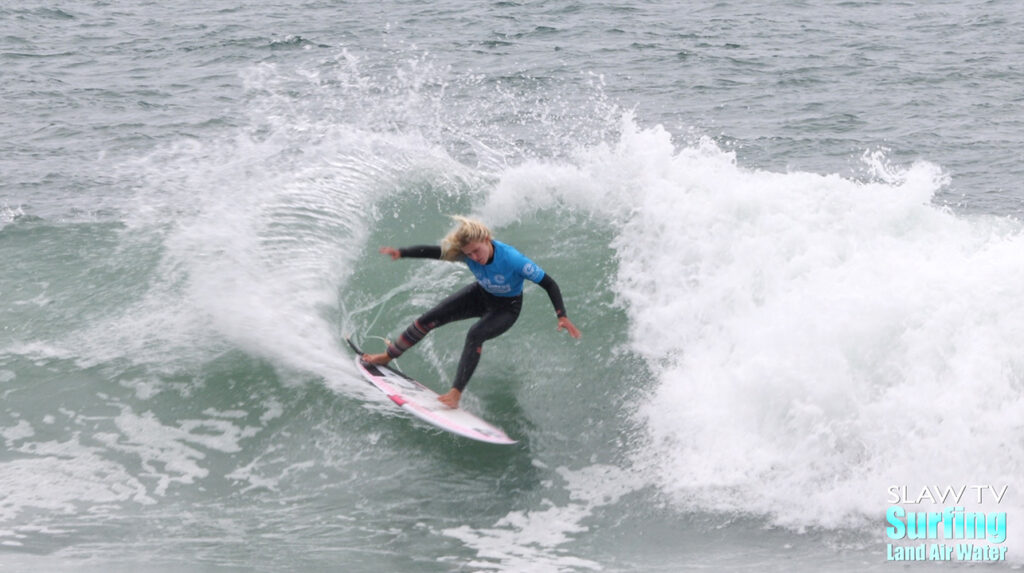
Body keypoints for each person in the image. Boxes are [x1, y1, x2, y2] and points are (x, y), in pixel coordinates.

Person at [362, 216, 581, 409]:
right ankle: (387, 357)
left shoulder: (514, 260)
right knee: (427, 320)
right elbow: (434, 252)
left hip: (506, 308)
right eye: (469, 254)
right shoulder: (466, 255)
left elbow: (549, 283)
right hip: (479, 295)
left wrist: (561, 314)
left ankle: (455, 393)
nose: (475, 257)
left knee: (475, 334)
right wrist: (402, 253)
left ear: (487, 239)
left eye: (477, 251)